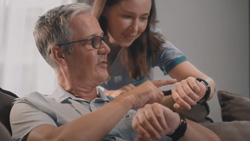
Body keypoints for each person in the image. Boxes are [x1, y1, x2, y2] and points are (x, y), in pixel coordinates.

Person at [9, 3, 220, 141]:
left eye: (102, 39)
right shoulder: (31, 106)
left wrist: (176, 123)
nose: (106, 49)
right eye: (93, 41)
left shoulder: (135, 109)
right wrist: (126, 100)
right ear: (60, 55)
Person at [92, 0, 216, 110]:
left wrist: (199, 88)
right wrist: (109, 94)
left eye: (143, 18)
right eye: (127, 16)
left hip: (137, 117)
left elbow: (207, 81)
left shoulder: (151, 41)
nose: (135, 29)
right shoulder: (81, 39)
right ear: (105, 10)